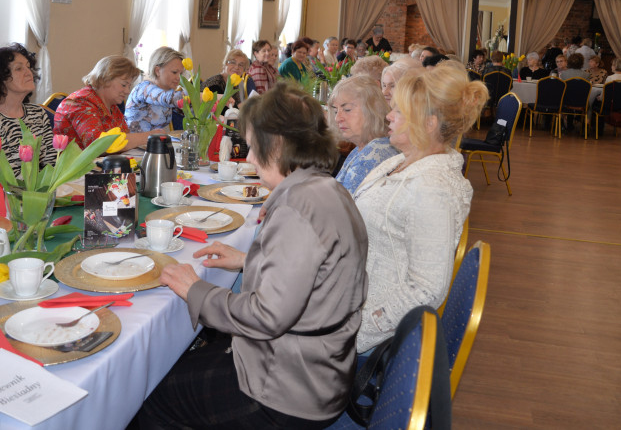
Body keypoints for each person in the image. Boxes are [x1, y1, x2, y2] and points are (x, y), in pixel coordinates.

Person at [140, 82, 368, 429]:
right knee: (179, 362)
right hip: (319, 369)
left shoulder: (297, 208)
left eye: (251, 146)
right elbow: (316, 271)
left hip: (286, 389)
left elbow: (266, 317)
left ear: (276, 145)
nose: (247, 158)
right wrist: (249, 260)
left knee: (151, 398)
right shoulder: (327, 188)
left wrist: (195, 289)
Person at [352, 63, 488, 354]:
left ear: (428, 124)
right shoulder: (404, 161)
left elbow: (427, 289)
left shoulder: (432, 190)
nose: (389, 115)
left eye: (399, 111)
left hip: (368, 336)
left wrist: (357, 329)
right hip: (348, 299)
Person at [0, 43, 56, 171]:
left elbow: (52, 162)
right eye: (19, 69)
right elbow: (8, 172)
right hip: (11, 190)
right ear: (0, 78)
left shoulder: (38, 113)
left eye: (29, 67)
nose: (29, 73)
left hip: (45, 187)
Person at [55, 56, 160, 151]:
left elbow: (124, 139)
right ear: (105, 79)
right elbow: (99, 144)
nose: (127, 91)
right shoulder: (80, 103)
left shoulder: (111, 105)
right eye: (124, 85)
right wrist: (150, 136)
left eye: (129, 86)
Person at [330, 76, 399, 195]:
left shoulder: (373, 155)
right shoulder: (365, 147)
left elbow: (342, 209)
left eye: (347, 110)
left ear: (373, 110)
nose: (337, 118)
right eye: (336, 111)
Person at [124, 47, 185, 133]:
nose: (179, 78)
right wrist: (196, 96)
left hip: (152, 143)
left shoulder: (169, 93)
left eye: (181, 73)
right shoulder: (144, 89)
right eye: (174, 72)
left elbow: (187, 110)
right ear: (157, 71)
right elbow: (167, 98)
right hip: (134, 144)